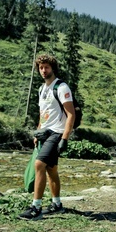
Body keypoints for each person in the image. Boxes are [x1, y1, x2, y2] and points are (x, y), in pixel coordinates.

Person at [19, 54, 76, 220]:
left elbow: (70, 114)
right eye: (41, 67)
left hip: (57, 132)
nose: (43, 70)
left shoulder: (62, 87)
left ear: (53, 68)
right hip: (44, 133)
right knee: (51, 170)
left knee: (39, 165)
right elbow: (42, 114)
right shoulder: (41, 89)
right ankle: (57, 204)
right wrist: (37, 132)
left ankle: (36, 207)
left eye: (46, 67)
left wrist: (65, 138)